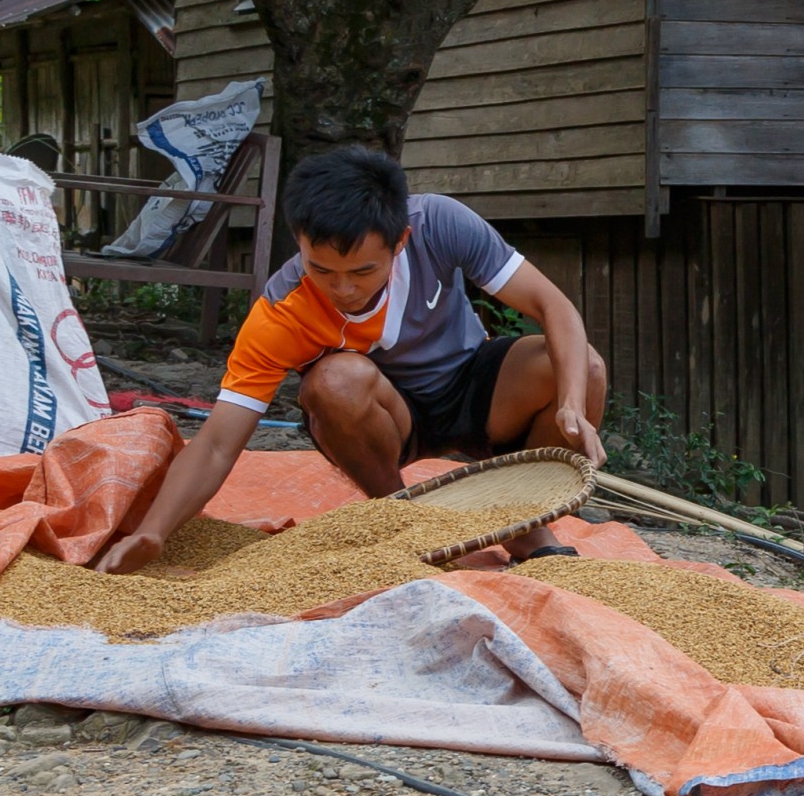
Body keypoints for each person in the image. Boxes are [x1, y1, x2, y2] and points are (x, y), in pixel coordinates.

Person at [97, 146, 605, 575]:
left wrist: (571, 407)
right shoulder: (282, 309)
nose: (343, 289)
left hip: (476, 386)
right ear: (298, 240)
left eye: (362, 271)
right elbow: (214, 444)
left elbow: (552, 305)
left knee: (584, 367)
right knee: (334, 380)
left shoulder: (439, 224)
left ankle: (524, 524)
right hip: (391, 418)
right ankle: (403, 522)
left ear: (400, 240)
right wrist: (154, 532)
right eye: (321, 269)